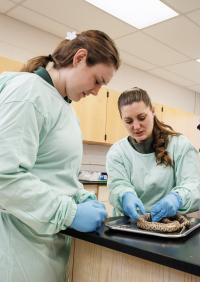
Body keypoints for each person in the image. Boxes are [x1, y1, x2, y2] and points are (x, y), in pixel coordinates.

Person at [0, 30, 120, 282]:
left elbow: (55, 173)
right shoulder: (28, 93)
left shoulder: (64, 107)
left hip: (44, 244)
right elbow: (4, 176)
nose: (98, 91)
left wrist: (79, 195)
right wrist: (69, 213)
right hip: (17, 246)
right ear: (79, 57)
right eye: (98, 80)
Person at [106, 87, 200, 223]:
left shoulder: (180, 145)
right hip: (129, 225)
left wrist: (177, 198)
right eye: (129, 121)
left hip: (169, 226)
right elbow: (117, 185)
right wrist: (124, 195)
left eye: (141, 118)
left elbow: (196, 184)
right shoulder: (117, 152)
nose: (136, 126)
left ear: (153, 111)